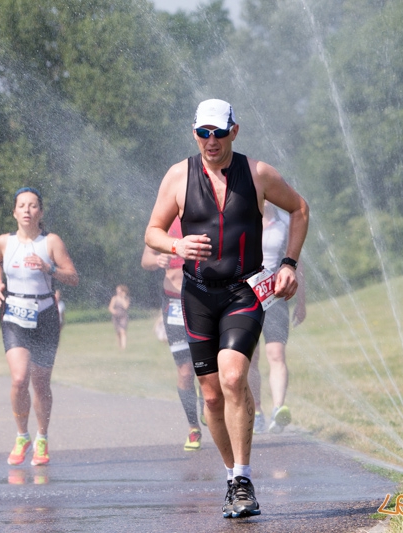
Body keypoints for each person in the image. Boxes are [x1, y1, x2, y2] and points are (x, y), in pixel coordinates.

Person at [144, 99, 309, 519]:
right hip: (197, 296)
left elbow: (300, 209)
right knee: (212, 397)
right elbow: (153, 232)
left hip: (243, 291)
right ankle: (230, 477)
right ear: (194, 133)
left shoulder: (258, 174)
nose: (211, 141)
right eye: (204, 133)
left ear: (235, 130)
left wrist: (289, 264)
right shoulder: (179, 176)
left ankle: (243, 476)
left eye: (219, 132)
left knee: (235, 377)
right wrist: (176, 245)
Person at [0, 187, 78, 466]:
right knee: (19, 379)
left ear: (41, 211)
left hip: (45, 315)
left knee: (40, 382)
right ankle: (21, 436)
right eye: (22, 206)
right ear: (14, 212)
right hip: (14, 314)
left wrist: (49, 268)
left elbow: (73, 277)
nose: (27, 210)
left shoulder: (50, 242)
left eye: (33, 206)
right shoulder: (4, 242)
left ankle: (42, 438)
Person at [142, 217, 205, 451]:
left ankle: (208, 403)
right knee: (186, 371)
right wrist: (157, 259)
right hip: (174, 303)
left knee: (208, 367)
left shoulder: (205, 213)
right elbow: (146, 259)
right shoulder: (164, 220)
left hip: (203, 300)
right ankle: (193, 427)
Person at [249, 203, 306, 434]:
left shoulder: (284, 222)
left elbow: (297, 263)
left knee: (276, 353)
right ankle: (257, 411)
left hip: (274, 295)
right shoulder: (242, 215)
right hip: (246, 295)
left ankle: (278, 408)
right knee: (251, 359)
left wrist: (301, 302)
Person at [108, 285, 130, 350]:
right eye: (117, 290)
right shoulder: (114, 298)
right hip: (116, 317)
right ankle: (119, 346)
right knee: (118, 333)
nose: (118, 291)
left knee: (123, 331)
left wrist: (122, 298)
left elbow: (125, 307)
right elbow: (110, 307)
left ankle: (123, 347)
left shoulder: (126, 299)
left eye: (119, 290)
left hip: (123, 317)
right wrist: (113, 311)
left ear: (123, 291)